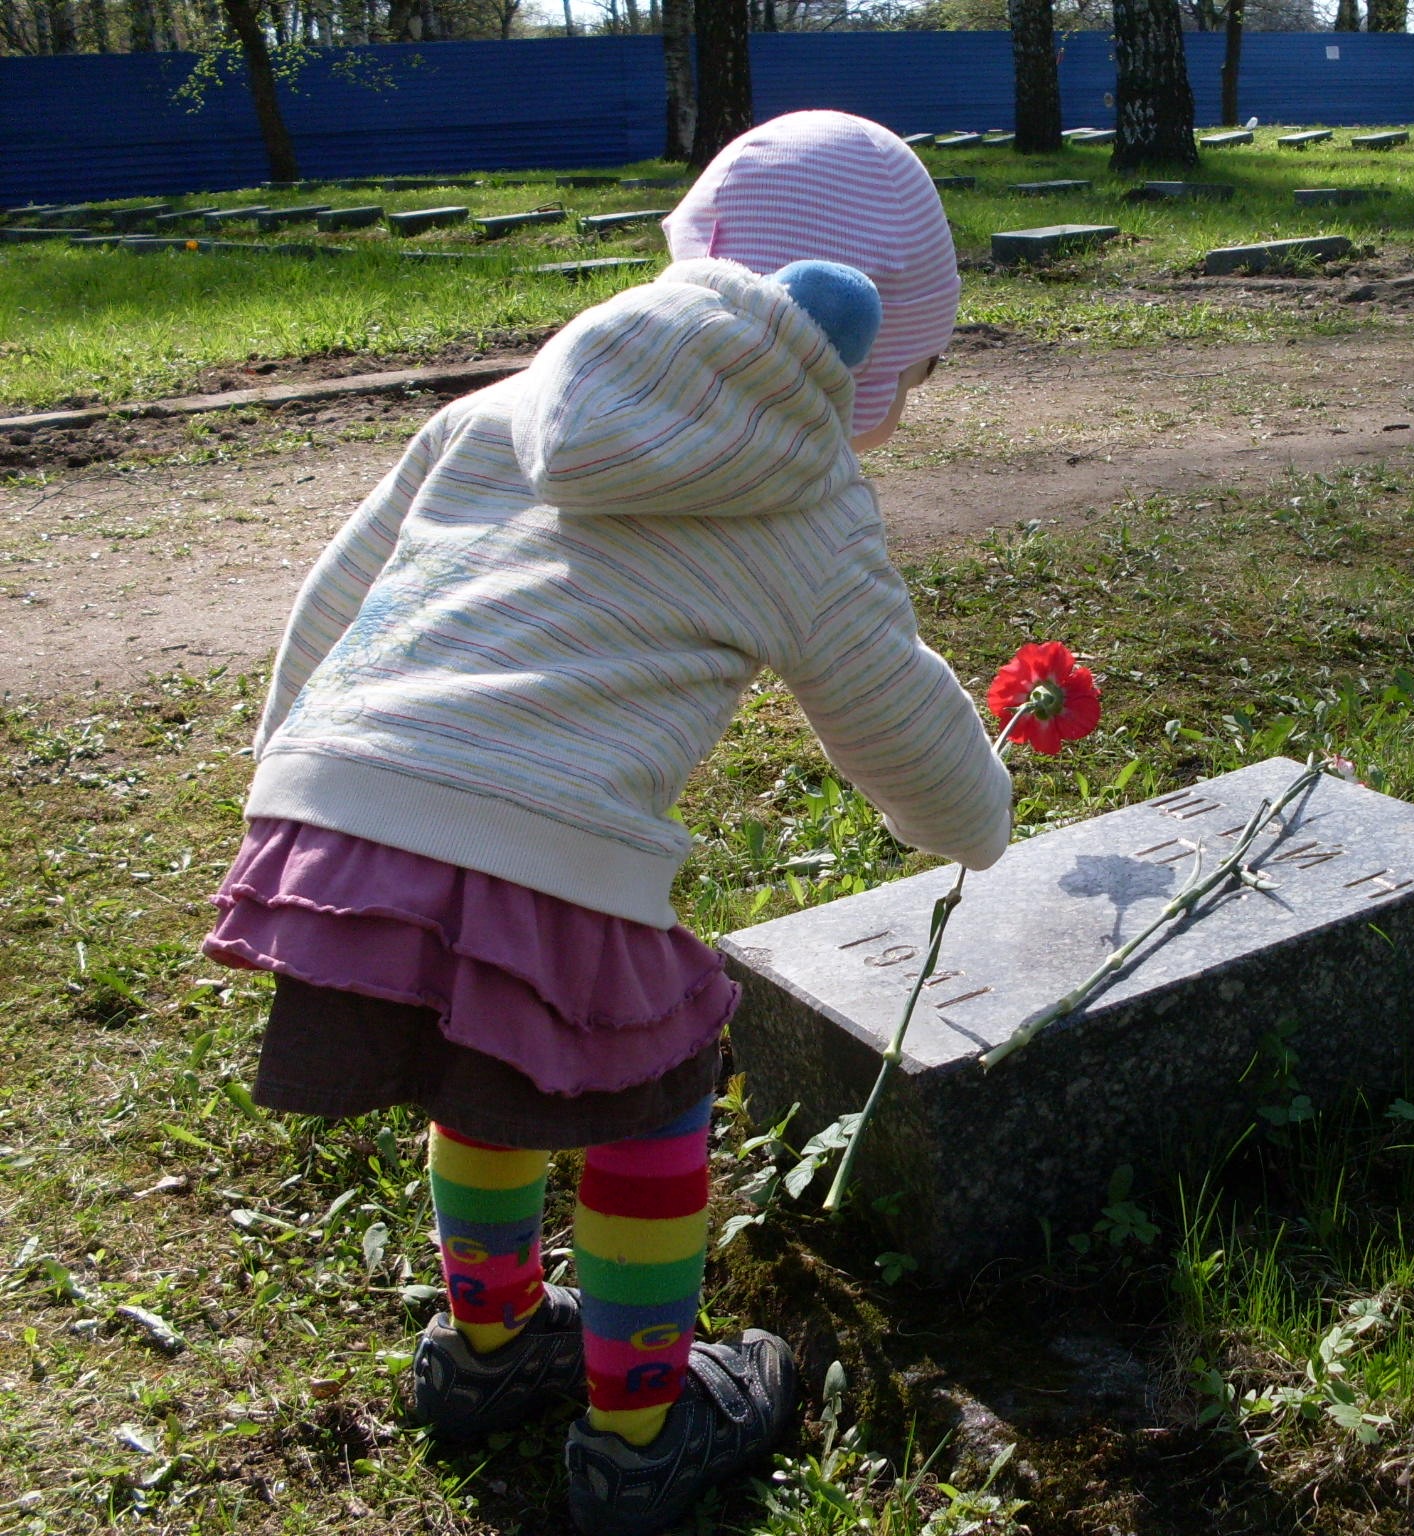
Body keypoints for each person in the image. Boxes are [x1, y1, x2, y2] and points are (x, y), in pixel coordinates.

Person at [201, 110, 1010, 1536]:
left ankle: (489, 1344)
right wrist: (978, 817)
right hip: (544, 840)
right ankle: (641, 1430)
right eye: (918, 375)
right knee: (657, 1093)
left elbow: (339, 590)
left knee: (486, 1052)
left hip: (346, 804)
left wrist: (292, 780)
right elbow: (895, 712)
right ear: (868, 359)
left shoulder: (506, 406)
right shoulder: (805, 497)